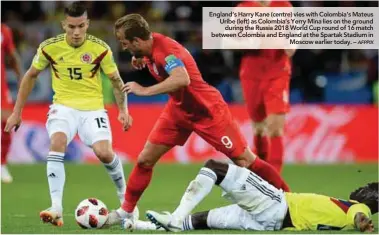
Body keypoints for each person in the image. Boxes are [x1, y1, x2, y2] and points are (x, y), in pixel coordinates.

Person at [106, 13, 290, 226]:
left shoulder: (165, 51)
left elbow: (181, 78)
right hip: (178, 110)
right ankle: (126, 212)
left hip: (208, 112)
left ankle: (290, 199)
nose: (123, 46)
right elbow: (153, 57)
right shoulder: (148, 46)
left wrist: (145, 90)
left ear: (137, 40)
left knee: (245, 160)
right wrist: (141, 57)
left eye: (125, 43)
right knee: (145, 160)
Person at [4, 2, 132, 227]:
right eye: (71, 26)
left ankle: (127, 203)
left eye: (81, 26)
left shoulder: (100, 48)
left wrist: (123, 110)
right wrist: (17, 112)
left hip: (92, 108)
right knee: (58, 142)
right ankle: (56, 207)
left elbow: (115, 80)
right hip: (62, 106)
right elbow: (30, 76)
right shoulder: (49, 47)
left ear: (87, 24)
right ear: (63, 24)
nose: (76, 32)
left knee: (104, 152)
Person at [145, 160, 376, 233]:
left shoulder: (358, 208)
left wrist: (364, 223)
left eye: (370, 188)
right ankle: (138, 224)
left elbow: (360, 217)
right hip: (268, 223)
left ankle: (175, 218)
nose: (363, 187)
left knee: (215, 167)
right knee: (199, 221)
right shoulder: (347, 209)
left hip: (277, 205)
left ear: (373, 199)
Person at [237, 0, 296, 173]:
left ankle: (275, 181)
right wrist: (248, 43)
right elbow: (229, 41)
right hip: (252, 74)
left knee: (275, 127)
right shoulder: (243, 8)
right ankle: (260, 173)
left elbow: (293, 35)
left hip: (278, 72)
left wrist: (292, 44)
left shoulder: (284, 6)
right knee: (258, 127)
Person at [1, 23, 22, 183]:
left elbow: (12, 55)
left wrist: (22, 77)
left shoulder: (4, 30)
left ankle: (2, 164)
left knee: (7, 123)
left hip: (1, 87)